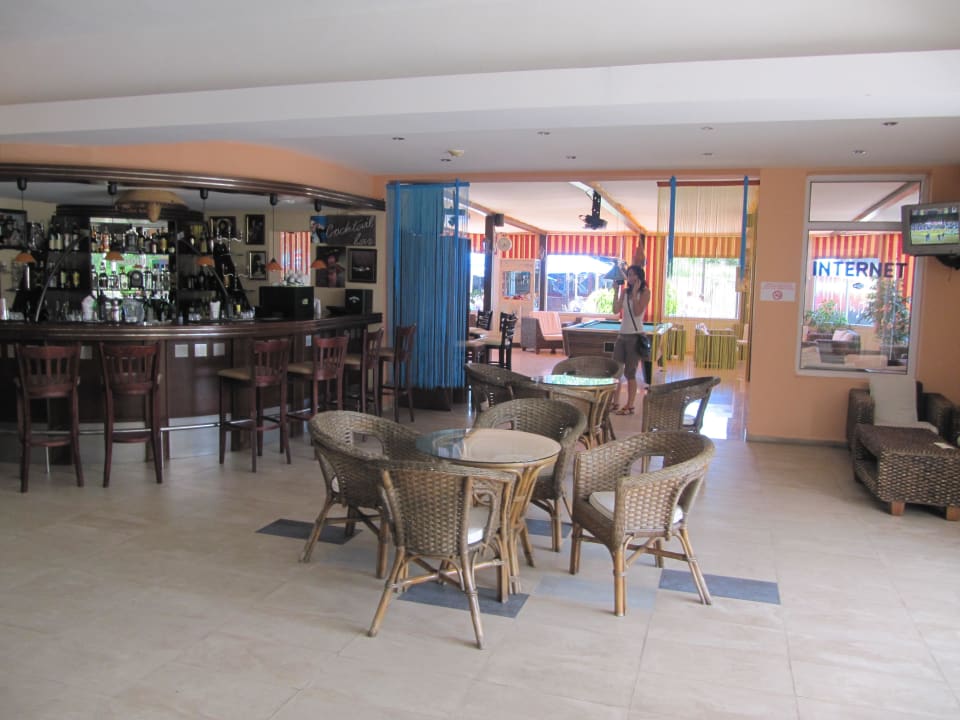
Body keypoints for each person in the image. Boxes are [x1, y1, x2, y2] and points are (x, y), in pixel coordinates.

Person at [611, 264, 651, 415]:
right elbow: (615, 310)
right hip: (622, 336)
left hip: (635, 336)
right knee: (616, 371)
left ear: (640, 277)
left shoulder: (645, 292)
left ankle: (630, 405)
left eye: (634, 274)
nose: (631, 277)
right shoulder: (625, 292)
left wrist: (634, 294)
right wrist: (616, 292)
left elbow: (637, 311)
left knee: (630, 373)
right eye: (629, 275)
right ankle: (615, 402)